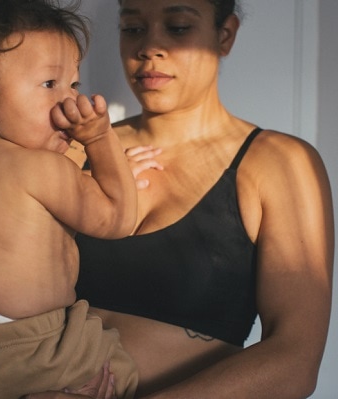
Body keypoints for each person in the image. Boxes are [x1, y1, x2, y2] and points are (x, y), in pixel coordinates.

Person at [27, 0, 335, 398]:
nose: (149, 47)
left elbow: (296, 361)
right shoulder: (72, 150)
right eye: (133, 28)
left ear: (225, 35)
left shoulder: (279, 164)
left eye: (177, 27)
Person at [0, 0, 139, 398]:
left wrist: (88, 157)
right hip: (25, 347)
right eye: (50, 84)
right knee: (119, 370)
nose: (69, 102)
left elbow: (55, 182)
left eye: (74, 85)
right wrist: (101, 140)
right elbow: (119, 216)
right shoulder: (42, 170)